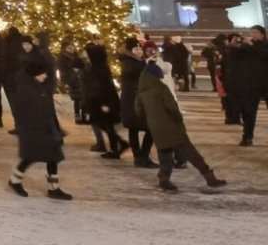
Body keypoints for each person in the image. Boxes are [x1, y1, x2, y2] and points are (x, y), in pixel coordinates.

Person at [135, 61, 226, 191]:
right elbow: (172, 107)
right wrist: (178, 118)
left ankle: (164, 180)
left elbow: (139, 111)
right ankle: (209, 177)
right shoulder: (161, 88)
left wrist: (151, 121)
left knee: (164, 154)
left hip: (155, 127)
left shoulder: (141, 92)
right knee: (190, 152)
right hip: (171, 125)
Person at [8, 61, 72, 200]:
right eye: (42, 73)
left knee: (52, 158)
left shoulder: (39, 87)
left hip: (47, 129)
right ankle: (14, 181)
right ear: (34, 74)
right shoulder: (27, 90)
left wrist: (56, 128)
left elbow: (48, 110)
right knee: (30, 157)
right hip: (35, 130)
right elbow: (25, 113)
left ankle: (53, 188)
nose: (45, 76)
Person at [82, 44, 128, 159]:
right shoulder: (98, 67)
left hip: (103, 101)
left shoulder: (100, 69)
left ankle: (117, 147)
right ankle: (117, 146)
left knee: (106, 125)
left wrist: (104, 104)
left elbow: (103, 86)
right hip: (100, 100)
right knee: (105, 125)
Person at [118, 38, 156, 168]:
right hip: (132, 100)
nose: (139, 51)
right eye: (136, 49)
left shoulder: (140, 62)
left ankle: (142, 157)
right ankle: (140, 157)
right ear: (130, 51)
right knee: (137, 128)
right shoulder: (130, 63)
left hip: (140, 99)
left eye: (140, 49)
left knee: (146, 128)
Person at [232, 25, 268, 146]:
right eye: (251, 32)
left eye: (255, 32)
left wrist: (251, 46)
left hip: (266, 83)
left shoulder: (265, 45)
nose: (253, 35)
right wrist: (234, 46)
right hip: (252, 84)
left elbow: (264, 55)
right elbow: (235, 58)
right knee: (249, 112)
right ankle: (247, 137)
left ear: (262, 34)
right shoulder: (248, 46)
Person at [57, 39, 85, 124]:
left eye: (72, 47)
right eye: (69, 48)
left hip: (80, 79)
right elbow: (63, 71)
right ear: (64, 49)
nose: (71, 49)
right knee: (77, 99)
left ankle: (84, 116)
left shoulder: (77, 56)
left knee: (83, 99)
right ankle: (77, 117)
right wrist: (68, 81)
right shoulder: (63, 58)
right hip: (72, 81)